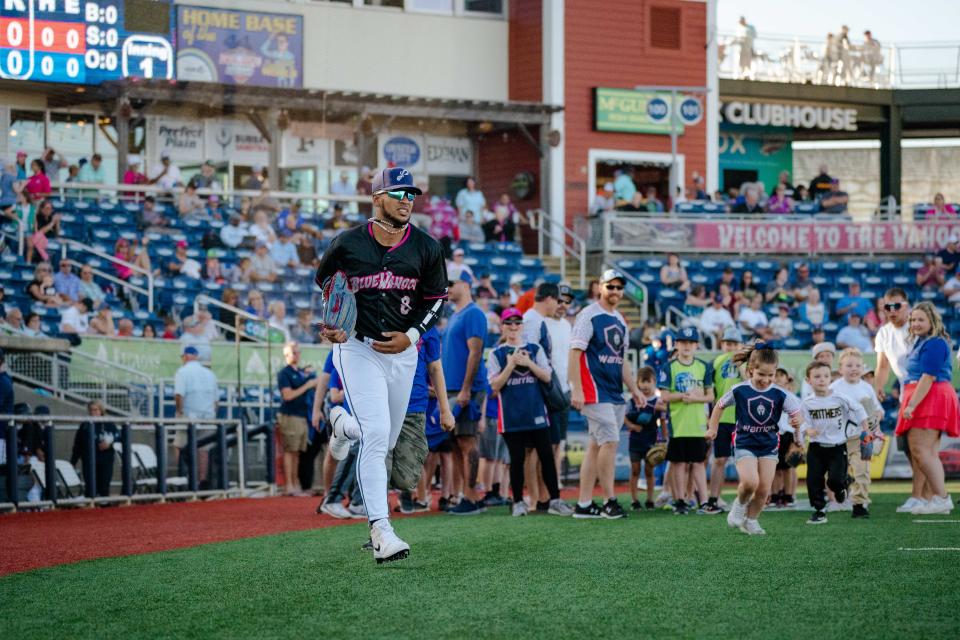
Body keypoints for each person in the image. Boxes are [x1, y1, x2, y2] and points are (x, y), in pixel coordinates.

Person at [316, 166, 448, 564]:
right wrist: (333, 325)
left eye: (412, 194)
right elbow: (326, 284)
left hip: (403, 351)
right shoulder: (347, 243)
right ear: (377, 198)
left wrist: (411, 336)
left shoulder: (426, 247)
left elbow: (437, 300)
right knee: (377, 437)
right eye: (399, 193)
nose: (407, 200)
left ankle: (342, 424)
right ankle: (381, 531)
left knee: (386, 440)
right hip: (358, 348)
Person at [706, 342, 802, 535]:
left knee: (764, 489)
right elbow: (719, 405)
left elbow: (797, 413)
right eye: (761, 375)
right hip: (745, 443)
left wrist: (797, 427)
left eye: (770, 375)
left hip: (768, 445)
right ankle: (739, 506)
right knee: (750, 482)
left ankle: (751, 520)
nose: (766, 380)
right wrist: (712, 427)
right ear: (750, 370)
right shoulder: (740, 390)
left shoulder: (781, 394)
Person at [570, 269, 641, 519]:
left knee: (595, 445)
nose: (615, 292)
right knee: (610, 441)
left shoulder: (620, 320)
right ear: (599, 287)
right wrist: (576, 387)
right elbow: (575, 353)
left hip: (614, 392)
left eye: (619, 288)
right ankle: (609, 500)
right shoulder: (588, 315)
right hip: (593, 390)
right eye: (610, 287)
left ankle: (584, 504)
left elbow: (621, 360)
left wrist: (634, 389)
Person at [487, 308, 573, 517]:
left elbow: (547, 376)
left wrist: (528, 363)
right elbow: (495, 386)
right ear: (502, 326)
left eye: (517, 323)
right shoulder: (496, 353)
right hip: (511, 417)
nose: (514, 327)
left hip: (537, 413)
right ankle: (518, 502)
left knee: (546, 457)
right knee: (516, 460)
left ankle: (555, 499)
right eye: (509, 323)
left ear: (522, 326)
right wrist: (511, 365)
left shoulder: (534, 349)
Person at [895, 302, 959, 515]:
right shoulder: (923, 342)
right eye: (913, 320)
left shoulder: (934, 343)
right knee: (927, 452)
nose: (915, 324)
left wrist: (912, 404)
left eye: (920, 319)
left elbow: (928, 376)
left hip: (930, 396)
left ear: (932, 321)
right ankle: (936, 498)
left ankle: (941, 498)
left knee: (921, 451)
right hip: (928, 395)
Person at [392, 326, 455, 513]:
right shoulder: (384, 314)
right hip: (384, 401)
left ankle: (409, 494)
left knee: (411, 465)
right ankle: (378, 517)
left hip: (416, 405)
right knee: (380, 458)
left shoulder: (429, 328)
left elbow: (435, 367)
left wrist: (445, 409)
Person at [441, 271, 488, 516]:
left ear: (465, 284)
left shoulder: (474, 314)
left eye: (450, 283)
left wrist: (467, 388)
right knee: (456, 443)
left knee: (467, 441)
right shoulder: (455, 315)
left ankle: (471, 496)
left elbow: (475, 352)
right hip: (453, 388)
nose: (445, 287)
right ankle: (467, 495)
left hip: (465, 389)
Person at [799, 360, 868, 525]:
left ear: (831, 378)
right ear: (808, 381)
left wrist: (865, 430)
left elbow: (859, 409)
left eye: (825, 376)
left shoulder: (840, 398)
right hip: (816, 447)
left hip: (837, 447)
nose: (822, 379)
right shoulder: (807, 402)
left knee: (835, 480)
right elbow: (802, 421)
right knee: (813, 480)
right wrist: (807, 430)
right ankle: (819, 511)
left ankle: (841, 488)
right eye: (817, 376)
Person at [659, 326, 713, 514]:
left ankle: (704, 502)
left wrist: (696, 398)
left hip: (697, 424)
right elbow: (664, 395)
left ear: (696, 345)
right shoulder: (669, 367)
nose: (687, 346)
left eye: (691, 342)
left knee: (698, 463)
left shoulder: (703, 367)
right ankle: (680, 500)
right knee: (678, 463)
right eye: (683, 342)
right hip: (678, 423)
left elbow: (710, 396)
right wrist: (684, 395)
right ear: (676, 344)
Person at [831, 348, 884, 518]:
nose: (854, 368)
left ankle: (859, 504)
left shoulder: (867, 388)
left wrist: (875, 420)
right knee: (836, 475)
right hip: (838, 439)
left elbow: (877, 411)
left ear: (862, 368)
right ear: (840, 369)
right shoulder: (834, 388)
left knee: (862, 471)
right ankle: (841, 488)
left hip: (862, 437)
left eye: (857, 365)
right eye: (849, 365)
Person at [705, 327, 744, 513]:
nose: (731, 347)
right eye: (728, 343)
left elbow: (750, 380)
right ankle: (714, 498)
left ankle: (743, 499)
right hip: (721, 418)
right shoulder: (715, 363)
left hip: (743, 419)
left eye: (735, 344)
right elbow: (709, 392)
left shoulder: (747, 363)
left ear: (741, 345)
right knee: (719, 460)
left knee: (744, 461)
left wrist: (741, 363)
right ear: (722, 344)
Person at [277, 342, 317, 497]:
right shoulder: (284, 373)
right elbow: (287, 396)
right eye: (293, 352)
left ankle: (295, 484)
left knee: (297, 452)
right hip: (290, 415)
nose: (296, 354)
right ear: (286, 354)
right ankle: (289, 485)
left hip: (301, 416)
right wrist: (307, 385)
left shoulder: (300, 372)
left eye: (297, 351)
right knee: (290, 451)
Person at [173, 346, 218, 478]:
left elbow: (179, 395)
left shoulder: (182, 372)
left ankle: (183, 478)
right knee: (203, 449)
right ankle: (202, 479)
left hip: (189, 415)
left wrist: (179, 411)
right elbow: (216, 401)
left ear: (185, 356)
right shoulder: (210, 374)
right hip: (207, 416)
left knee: (180, 445)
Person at [625, 366, 665, 511]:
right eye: (643, 382)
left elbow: (663, 421)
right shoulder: (632, 401)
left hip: (651, 441)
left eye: (649, 381)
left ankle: (650, 499)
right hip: (635, 441)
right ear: (637, 383)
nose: (646, 385)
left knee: (649, 471)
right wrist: (633, 426)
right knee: (635, 471)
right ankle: (634, 500)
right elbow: (623, 417)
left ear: (654, 382)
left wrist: (663, 439)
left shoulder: (659, 402)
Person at [70, 400, 118, 498]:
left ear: (101, 411)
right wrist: (72, 463)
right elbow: (77, 445)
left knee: (104, 487)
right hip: (89, 461)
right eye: (91, 410)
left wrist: (109, 444)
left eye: (96, 410)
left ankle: (104, 509)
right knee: (91, 488)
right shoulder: (85, 425)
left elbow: (119, 437)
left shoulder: (109, 424)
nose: (93, 413)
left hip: (105, 460)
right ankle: (91, 509)